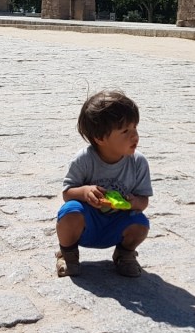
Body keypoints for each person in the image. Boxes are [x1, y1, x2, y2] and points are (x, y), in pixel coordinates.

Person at [55, 90, 152, 278]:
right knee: (69, 211)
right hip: (87, 223)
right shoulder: (84, 159)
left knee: (141, 223)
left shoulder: (138, 163)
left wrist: (132, 202)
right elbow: (67, 193)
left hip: (117, 223)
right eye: (125, 131)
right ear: (100, 138)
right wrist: (84, 191)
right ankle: (68, 255)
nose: (135, 136)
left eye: (135, 128)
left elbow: (143, 202)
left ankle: (125, 254)